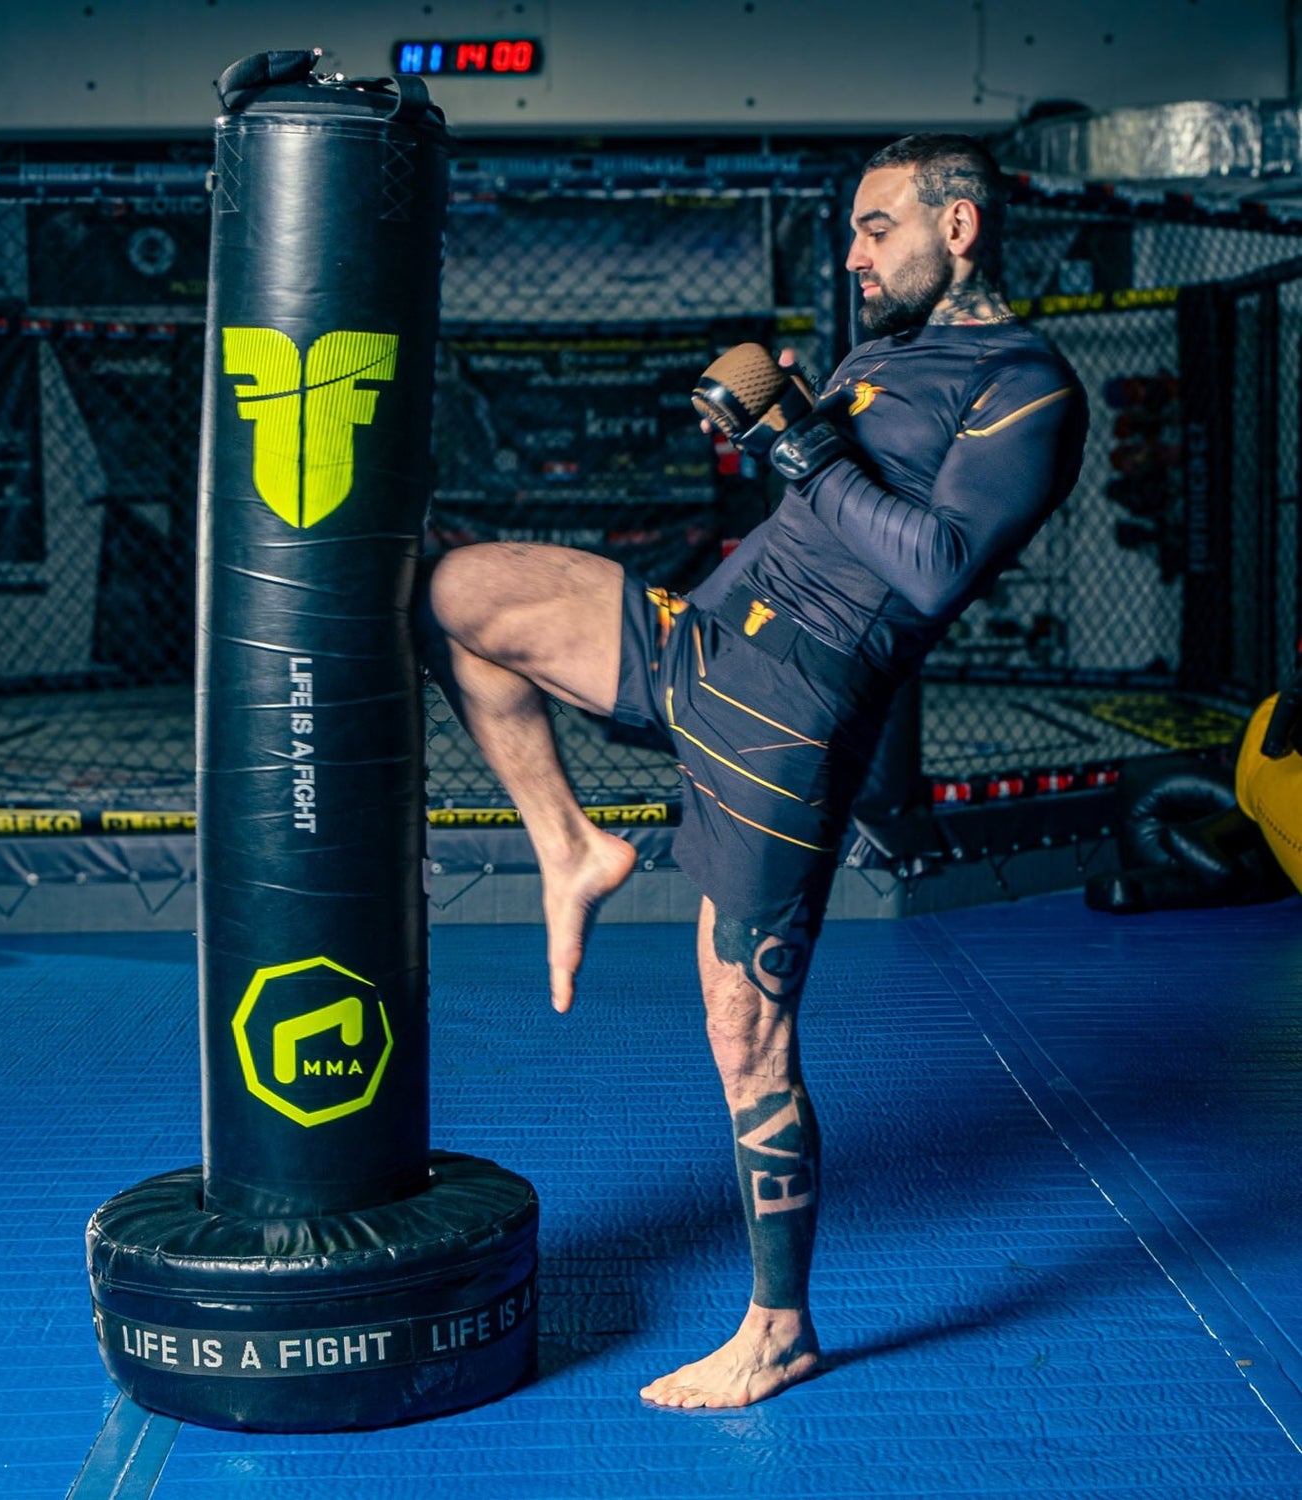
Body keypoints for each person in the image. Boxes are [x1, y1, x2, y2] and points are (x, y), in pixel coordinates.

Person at [420, 134, 1088, 1409]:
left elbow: (937, 566)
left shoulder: (1026, 385)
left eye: (876, 229)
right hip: (704, 637)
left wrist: (800, 444)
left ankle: (779, 1329)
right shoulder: (875, 359)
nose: (853, 258)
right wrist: (771, 424)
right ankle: (570, 847)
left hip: (790, 715)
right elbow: (811, 502)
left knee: (746, 1031)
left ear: (957, 229)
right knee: (456, 592)